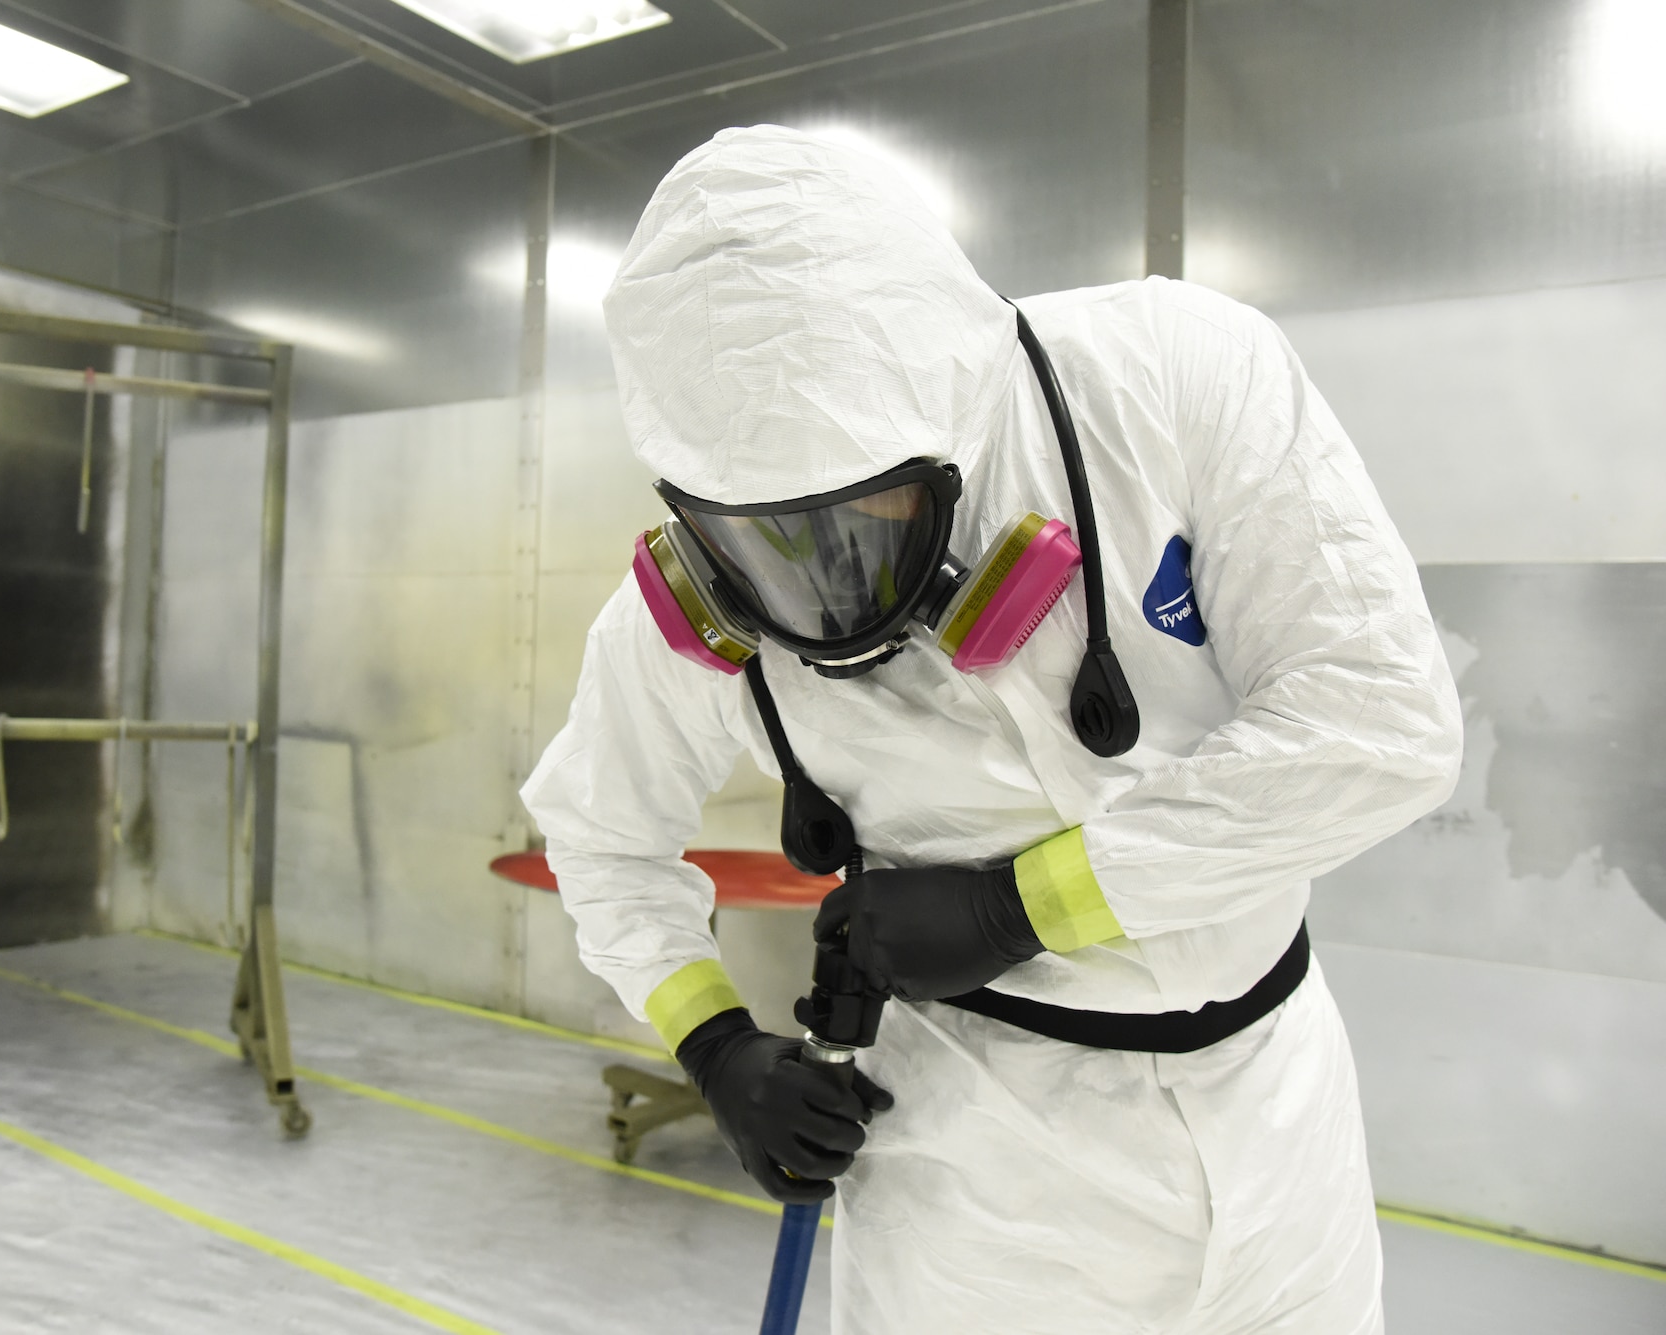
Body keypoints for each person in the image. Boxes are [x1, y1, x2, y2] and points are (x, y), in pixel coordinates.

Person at [521, 125, 1462, 1334]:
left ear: (954, 419)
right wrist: (712, 1046)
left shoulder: (1170, 381)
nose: (826, 592)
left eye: (872, 517)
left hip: (1277, 1121)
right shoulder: (686, 616)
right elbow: (598, 838)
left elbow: (1376, 721)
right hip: (975, 1191)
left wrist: (1015, 908)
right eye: (764, 541)